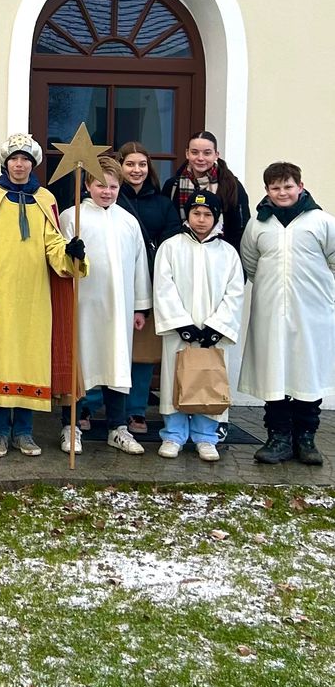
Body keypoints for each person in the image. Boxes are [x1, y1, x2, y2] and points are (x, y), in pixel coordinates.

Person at [0, 134, 87, 457]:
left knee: (30, 362)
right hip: (0, 295)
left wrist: (70, 253)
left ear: (33, 164)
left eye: (25, 159)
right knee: (0, 362)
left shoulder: (45, 199)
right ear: (5, 163)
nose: (19, 165)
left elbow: (52, 244)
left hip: (35, 296)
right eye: (14, 159)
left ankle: (24, 432)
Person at [238, 162, 335, 466]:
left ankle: (306, 438)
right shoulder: (258, 225)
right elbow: (250, 263)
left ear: (300, 187)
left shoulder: (321, 222)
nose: (282, 192)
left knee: (307, 371)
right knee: (274, 372)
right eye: (275, 187)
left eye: (288, 186)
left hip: (312, 313)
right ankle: (278, 437)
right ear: (267, 190)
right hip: (270, 312)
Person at [59, 156, 152, 456]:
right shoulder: (72, 217)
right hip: (83, 304)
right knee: (79, 362)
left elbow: (139, 265)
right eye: (101, 185)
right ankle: (71, 425)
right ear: (87, 185)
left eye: (113, 187)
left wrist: (140, 306)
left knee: (116, 361)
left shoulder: (128, 221)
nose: (107, 192)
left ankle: (117, 427)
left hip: (118, 307)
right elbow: (59, 260)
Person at [152, 191, 244, 462]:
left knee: (209, 380)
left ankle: (206, 437)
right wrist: (181, 324)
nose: (201, 220)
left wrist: (217, 327)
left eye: (207, 215)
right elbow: (163, 287)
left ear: (216, 218)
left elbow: (234, 293)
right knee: (176, 380)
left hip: (213, 335)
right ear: (188, 215)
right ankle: (173, 435)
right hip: (180, 332)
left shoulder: (228, 253)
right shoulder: (171, 247)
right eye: (196, 213)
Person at [114, 141, 181, 433]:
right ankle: (91, 404)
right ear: (119, 166)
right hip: (115, 282)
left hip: (149, 283)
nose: (136, 170)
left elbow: (172, 241)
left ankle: (136, 410)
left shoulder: (163, 204)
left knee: (141, 353)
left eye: (142, 164)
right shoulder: (111, 198)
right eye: (130, 164)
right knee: (106, 345)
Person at [161, 131, 250, 251]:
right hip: (181, 252)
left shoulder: (232, 185)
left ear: (216, 155)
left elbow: (240, 228)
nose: (200, 158)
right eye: (194, 152)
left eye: (207, 153)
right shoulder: (172, 185)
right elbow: (166, 224)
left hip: (220, 253)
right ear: (187, 153)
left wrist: (229, 254)